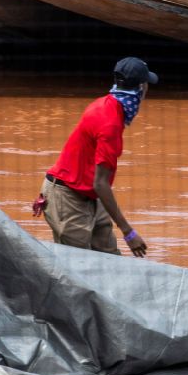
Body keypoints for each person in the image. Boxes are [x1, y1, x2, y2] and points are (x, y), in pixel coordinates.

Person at [36, 57, 155, 257]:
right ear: (141, 89)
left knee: (110, 258)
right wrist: (128, 232)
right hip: (67, 198)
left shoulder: (105, 104)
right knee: (79, 267)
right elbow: (101, 183)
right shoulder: (110, 125)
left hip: (86, 194)